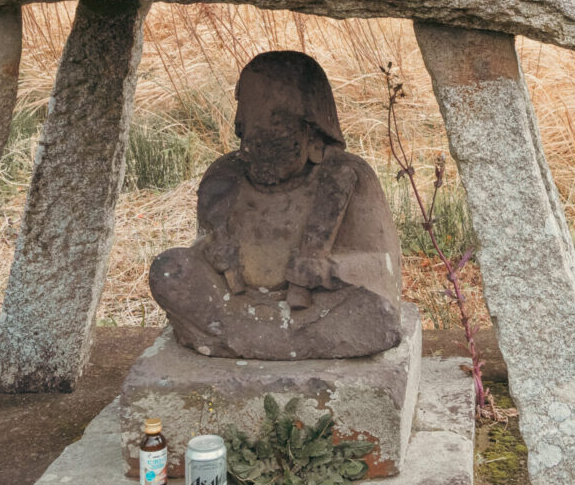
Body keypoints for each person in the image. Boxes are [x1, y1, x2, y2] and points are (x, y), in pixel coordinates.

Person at [149, 51, 403, 360]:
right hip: (235, 306)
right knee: (168, 270)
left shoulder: (347, 175)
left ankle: (244, 340)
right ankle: (270, 340)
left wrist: (328, 271)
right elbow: (203, 245)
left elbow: (383, 267)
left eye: (277, 125)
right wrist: (209, 252)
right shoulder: (224, 176)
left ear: (312, 129)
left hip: (316, 309)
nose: (256, 142)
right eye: (249, 128)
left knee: (375, 311)